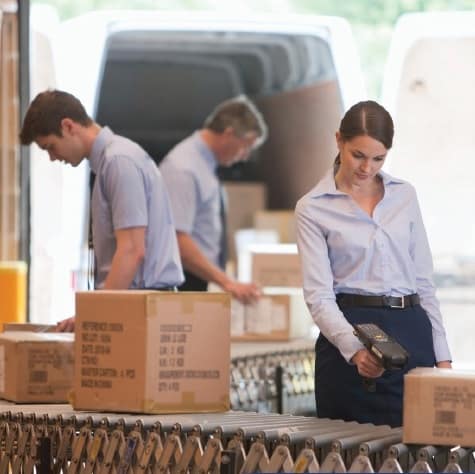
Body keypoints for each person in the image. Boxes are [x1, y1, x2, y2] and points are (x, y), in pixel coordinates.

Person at [295, 100, 452, 427]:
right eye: (358, 155)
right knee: (348, 448)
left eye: (378, 158)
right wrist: (354, 349)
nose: (367, 168)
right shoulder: (312, 208)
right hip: (351, 333)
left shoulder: (404, 195)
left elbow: (424, 283)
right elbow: (319, 296)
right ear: (339, 141)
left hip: (412, 333)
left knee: (419, 445)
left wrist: (443, 357)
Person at [20, 89, 184, 331]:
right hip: (134, 302)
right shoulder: (112, 161)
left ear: (68, 126)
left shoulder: (118, 161)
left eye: (50, 147)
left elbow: (132, 250)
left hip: (141, 306)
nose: (53, 158)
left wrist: (95, 315)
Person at [159, 96, 268, 304]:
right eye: (246, 146)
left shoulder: (204, 165)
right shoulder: (183, 168)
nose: (245, 156)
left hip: (198, 279)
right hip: (184, 284)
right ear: (229, 134)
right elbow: (177, 240)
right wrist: (228, 283)